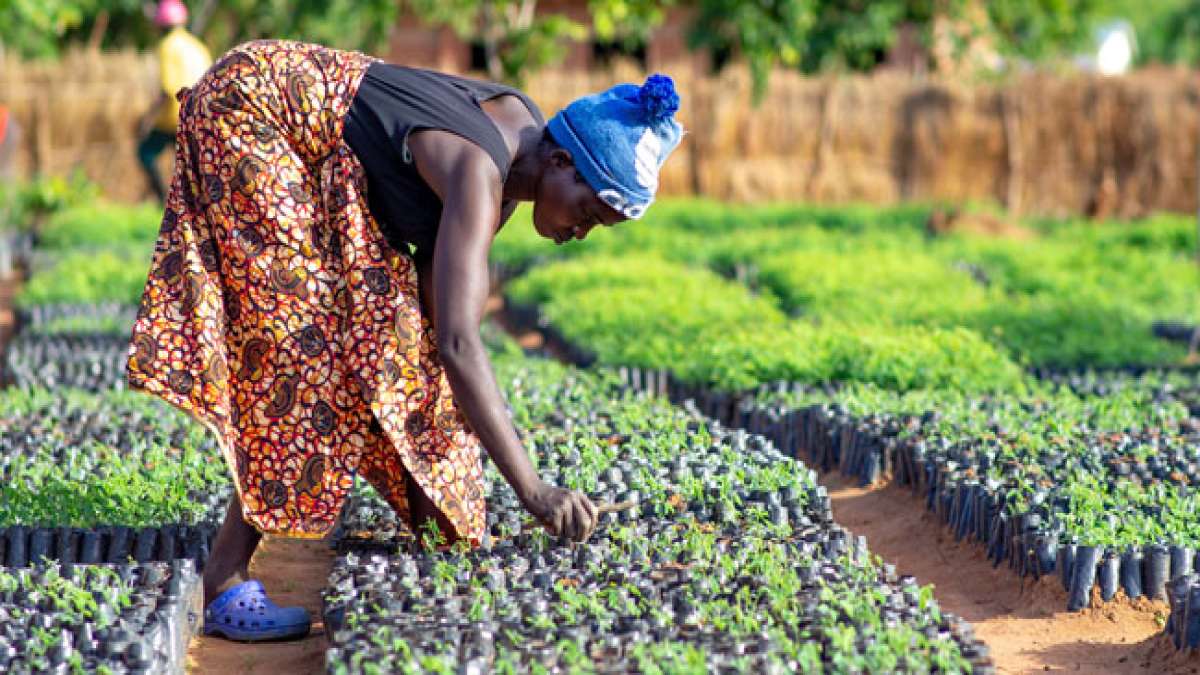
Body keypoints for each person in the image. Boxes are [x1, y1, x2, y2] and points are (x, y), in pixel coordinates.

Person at [125, 39, 683, 642]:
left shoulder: (521, 135)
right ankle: (225, 582)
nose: (580, 232)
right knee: (310, 355)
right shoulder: (480, 171)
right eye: (590, 214)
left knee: (384, 341)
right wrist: (533, 489)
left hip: (289, 122)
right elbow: (461, 345)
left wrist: (439, 474)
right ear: (561, 163)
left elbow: (427, 321)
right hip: (253, 111)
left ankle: (430, 525)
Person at [135, 0, 211, 202]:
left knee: (145, 153)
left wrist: (148, 117)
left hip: (174, 116)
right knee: (192, 165)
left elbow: (168, 90)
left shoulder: (167, 46)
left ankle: (163, 200)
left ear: (161, 26)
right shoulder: (198, 45)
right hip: (199, 115)